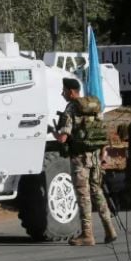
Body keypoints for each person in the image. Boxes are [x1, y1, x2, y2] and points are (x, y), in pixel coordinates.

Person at [52, 77, 118, 246]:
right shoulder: (94, 107)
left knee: (83, 195)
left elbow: (63, 138)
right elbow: (102, 133)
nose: (62, 93)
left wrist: (53, 131)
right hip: (95, 156)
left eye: (64, 90)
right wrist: (103, 154)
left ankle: (87, 234)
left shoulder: (71, 109)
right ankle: (110, 230)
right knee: (97, 192)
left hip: (80, 159)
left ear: (72, 92)